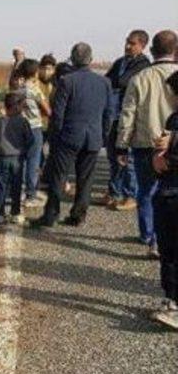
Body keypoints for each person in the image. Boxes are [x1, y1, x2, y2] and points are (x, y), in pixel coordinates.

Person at [32, 42, 112, 228]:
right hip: (93, 137)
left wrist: (54, 138)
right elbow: (108, 113)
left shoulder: (66, 81)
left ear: (72, 59)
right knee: (85, 179)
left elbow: (58, 114)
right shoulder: (104, 82)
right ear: (90, 60)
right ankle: (78, 215)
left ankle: (51, 215)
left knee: (59, 176)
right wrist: (103, 136)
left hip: (68, 137)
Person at [116, 29, 178, 257]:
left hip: (146, 143)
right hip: (174, 143)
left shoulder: (140, 78)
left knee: (146, 191)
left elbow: (128, 114)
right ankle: (165, 239)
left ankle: (149, 234)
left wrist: (121, 145)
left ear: (151, 50)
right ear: (175, 50)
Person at [103, 30, 150, 209]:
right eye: (127, 42)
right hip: (114, 115)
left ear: (142, 46)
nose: (127, 46)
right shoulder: (120, 62)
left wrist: (113, 84)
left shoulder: (142, 65)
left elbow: (123, 81)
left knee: (127, 159)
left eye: (132, 43)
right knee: (113, 156)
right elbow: (107, 80)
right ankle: (114, 192)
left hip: (129, 116)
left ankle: (131, 195)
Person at [150, 70, 178, 329]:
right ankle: (170, 299)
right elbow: (161, 154)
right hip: (168, 190)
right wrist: (158, 157)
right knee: (168, 250)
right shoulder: (173, 119)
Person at [0, 92, 34, 225]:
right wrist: (24, 149)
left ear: (6, 106)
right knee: (16, 187)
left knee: (1, 186)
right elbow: (30, 139)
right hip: (18, 158)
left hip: (2, 158)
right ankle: (15, 213)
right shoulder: (23, 122)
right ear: (18, 107)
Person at [16, 58, 50, 205]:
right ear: (35, 73)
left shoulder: (19, 90)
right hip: (35, 128)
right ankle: (31, 194)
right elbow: (48, 110)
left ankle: (20, 192)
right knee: (33, 161)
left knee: (22, 161)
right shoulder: (35, 90)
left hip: (21, 128)